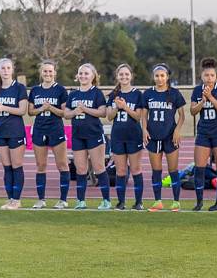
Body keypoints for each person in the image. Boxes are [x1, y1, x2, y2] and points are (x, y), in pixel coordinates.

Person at [64, 63, 110, 210]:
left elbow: (102, 112)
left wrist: (85, 109)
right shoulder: (73, 94)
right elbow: (66, 114)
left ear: (93, 76)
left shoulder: (96, 93)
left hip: (94, 134)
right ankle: (81, 201)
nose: (83, 76)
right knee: (81, 169)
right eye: (81, 73)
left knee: (99, 168)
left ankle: (106, 201)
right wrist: (74, 112)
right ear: (77, 76)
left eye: (86, 73)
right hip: (78, 136)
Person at [142, 63, 186, 212]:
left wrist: (177, 131)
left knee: (173, 170)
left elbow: (182, 115)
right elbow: (144, 115)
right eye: (157, 76)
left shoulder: (174, 93)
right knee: (156, 171)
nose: (159, 78)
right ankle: (158, 201)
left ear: (167, 77)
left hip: (169, 136)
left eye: (162, 75)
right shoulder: (148, 94)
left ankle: (176, 201)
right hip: (153, 137)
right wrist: (144, 130)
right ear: (153, 77)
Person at [28, 59, 70, 209]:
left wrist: (50, 107)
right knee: (41, 165)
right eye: (45, 71)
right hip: (39, 129)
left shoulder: (60, 90)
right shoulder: (35, 90)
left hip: (56, 129)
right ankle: (41, 199)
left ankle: (63, 200)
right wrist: (41, 109)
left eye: (50, 71)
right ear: (41, 73)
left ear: (54, 73)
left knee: (62, 164)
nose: (47, 73)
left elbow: (65, 113)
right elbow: (30, 111)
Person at [190, 57, 217, 211]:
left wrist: (211, 97)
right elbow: (193, 111)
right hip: (203, 132)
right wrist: (202, 100)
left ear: (216, 76)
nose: (209, 78)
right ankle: (199, 202)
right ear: (202, 76)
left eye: (212, 75)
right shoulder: (197, 90)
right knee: (199, 168)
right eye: (206, 75)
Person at [0, 57, 28, 209]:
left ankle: (17, 200)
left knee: (16, 166)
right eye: (2, 68)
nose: (5, 71)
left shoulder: (19, 88)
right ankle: (10, 198)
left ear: (12, 70)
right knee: (6, 167)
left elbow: (22, 110)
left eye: (8, 68)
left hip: (15, 131)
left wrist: (4, 107)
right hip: (0, 131)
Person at [106, 63, 146, 210]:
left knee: (136, 169)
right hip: (118, 136)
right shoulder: (113, 95)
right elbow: (109, 116)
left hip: (133, 135)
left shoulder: (137, 94)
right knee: (120, 171)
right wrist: (116, 107)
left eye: (126, 74)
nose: (124, 77)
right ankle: (121, 202)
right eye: (121, 74)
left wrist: (125, 107)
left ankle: (138, 202)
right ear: (117, 76)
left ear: (131, 76)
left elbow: (137, 116)